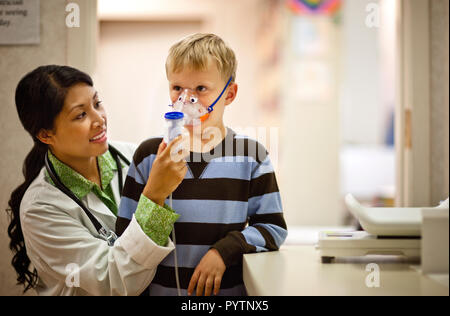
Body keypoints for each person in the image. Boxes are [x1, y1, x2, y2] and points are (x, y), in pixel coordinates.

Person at [116, 33, 288, 296]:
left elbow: (272, 229)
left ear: (229, 93)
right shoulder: (149, 156)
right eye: (177, 89)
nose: (186, 101)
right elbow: (126, 238)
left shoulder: (251, 156)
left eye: (200, 89)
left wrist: (224, 251)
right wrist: (156, 192)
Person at [6, 65, 186, 295]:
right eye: (81, 114)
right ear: (46, 134)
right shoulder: (39, 208)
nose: (99, 119)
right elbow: (114, 282)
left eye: (97, 103)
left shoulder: (134, 157)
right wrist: (154, 195)